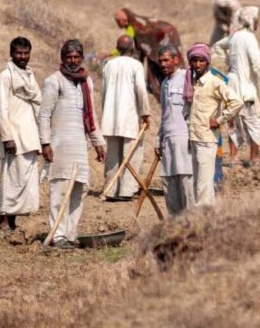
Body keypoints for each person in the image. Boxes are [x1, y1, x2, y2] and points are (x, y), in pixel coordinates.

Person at [39, 39, 106, 248]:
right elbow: (44, 115)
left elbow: (91, 116)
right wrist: (45, 143)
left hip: (79, 145)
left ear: (82, 58)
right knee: (59, 190)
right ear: (62, 58)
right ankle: (57, 235)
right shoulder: (54, 81)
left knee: (80, 189)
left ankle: (70, 234)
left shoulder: (86, 82)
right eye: (69, 57)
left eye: (76, 57)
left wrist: (98, 142)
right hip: (60, 145)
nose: (73, 60)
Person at [214, 7, 260, 166]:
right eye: (257, 18)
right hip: (246, 89)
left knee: (233, 121)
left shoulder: (234, 37)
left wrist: (229, 63)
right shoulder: (249, 38)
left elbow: (218, 46)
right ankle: (254, 158)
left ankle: (233, 158)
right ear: (250, 20)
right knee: (255, 121)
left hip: (232, 86)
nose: (258, 21)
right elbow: (258, 65)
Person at [185, 43, 243, 206]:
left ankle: (201, 218)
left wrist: (219, 120)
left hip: (207, 140)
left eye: (201, 61)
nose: (197, 64)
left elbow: (237, 102)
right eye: (194, 61)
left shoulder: (214, 82)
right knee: (199, 184)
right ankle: (207, 217)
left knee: (203, 186)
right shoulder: (192, 82)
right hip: (194, 138)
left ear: (208, 62)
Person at [0, 37, 42, 233]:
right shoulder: (5, 77)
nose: (22, 57)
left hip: (29, 135)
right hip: (14, 137)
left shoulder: (29, 76)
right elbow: (1, 109)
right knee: (11, 179)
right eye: (18, 53)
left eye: (25, 53)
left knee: (23, 180)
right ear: (11, 53)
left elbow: (38, 104)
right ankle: (3, 222)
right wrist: (7, 137)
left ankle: (13, 222)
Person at [100, 35, 151, 201]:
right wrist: (145, 113)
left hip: (111, 117)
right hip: (130, 117)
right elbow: (141, 90)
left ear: (117, 48)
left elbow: (103, 92)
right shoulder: (136, 65)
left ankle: (110, 189)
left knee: (112, 157)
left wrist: (105, 113)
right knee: (132, 155)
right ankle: (126, 191)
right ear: (133, 49)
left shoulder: (108, 65)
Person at [157, 45, 195, 215]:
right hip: (168, 141)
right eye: (160, 61)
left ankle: (193, 224)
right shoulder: (165, 83)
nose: (163, 64)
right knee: (169, 184)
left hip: (185, 140)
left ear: (176, 60)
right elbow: (164, 114)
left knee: (187, 184)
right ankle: (175, 225)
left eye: (166, 60)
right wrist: (159, 139)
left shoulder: (188, 78)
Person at [114, 8, 183, 100]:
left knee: (165, 72)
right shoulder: (134, 25)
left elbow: (130, 47)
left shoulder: (135, 28)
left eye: (118, 21)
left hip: (164, 41)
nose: (118, 24)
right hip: (157, 48)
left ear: (124, 21)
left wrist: (110, 54)